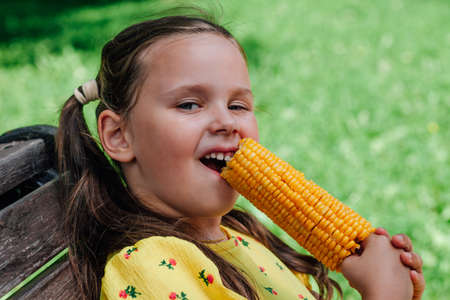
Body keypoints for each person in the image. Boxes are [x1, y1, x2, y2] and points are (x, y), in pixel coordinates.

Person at [56, 12, 425, 300]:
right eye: (189, 104)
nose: (226, 122)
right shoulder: (148, 268)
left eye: (238, 105)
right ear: (119, 136)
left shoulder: (246, 239)